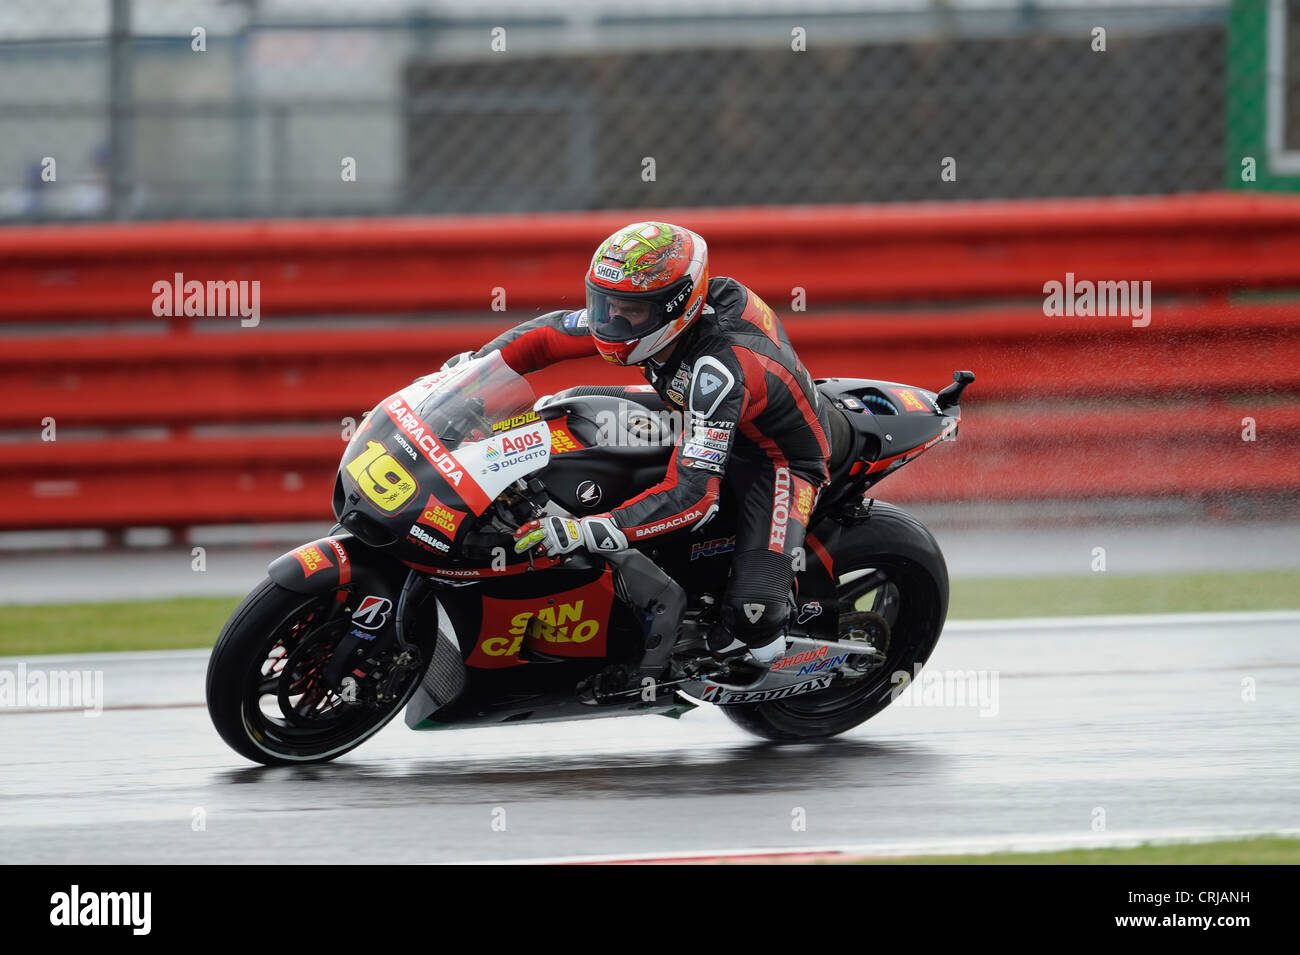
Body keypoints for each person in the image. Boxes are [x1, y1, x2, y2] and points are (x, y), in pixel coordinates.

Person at [456, 221, 832, 667]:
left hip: (775, 458)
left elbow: (694, 496)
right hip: (690, 411)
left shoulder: (717, 369)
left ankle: (786, 647)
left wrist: (587, 530)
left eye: (629, 310)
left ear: (676, 307)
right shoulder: (650, 311)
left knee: (755, 617)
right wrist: (468, 374)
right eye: (604, 303)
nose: (611, 321)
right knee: (564, 406)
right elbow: (548, 336)